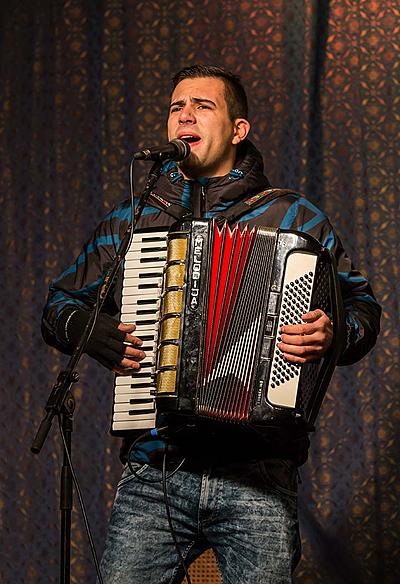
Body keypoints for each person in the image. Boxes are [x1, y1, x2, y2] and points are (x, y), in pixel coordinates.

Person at [42, 65, 381, 583]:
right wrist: (86, 330)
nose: (185, 115)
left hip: (259, 474)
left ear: (238, 129)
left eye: (203, 105)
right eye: (177, 107)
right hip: (154, 470)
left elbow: (363, 312)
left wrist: (332, 332)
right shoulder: (134, 220)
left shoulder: (293, 217)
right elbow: (58, 304)